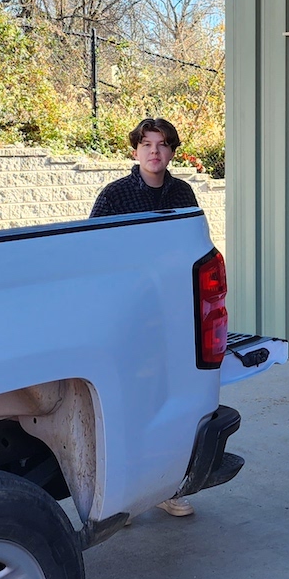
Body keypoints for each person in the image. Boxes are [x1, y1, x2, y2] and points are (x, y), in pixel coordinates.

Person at [91, 116, 202, 516]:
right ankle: (121, 500)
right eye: (147, 145)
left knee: (169, 399)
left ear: (172, 152)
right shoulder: (115, 195)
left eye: (162, 145)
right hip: (129, 313)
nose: (154, 152)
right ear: (136, 151)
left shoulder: (183, 193)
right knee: (126, 403)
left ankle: (166, 487)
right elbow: (94, 249)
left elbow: (194, 247)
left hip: (172, 309)